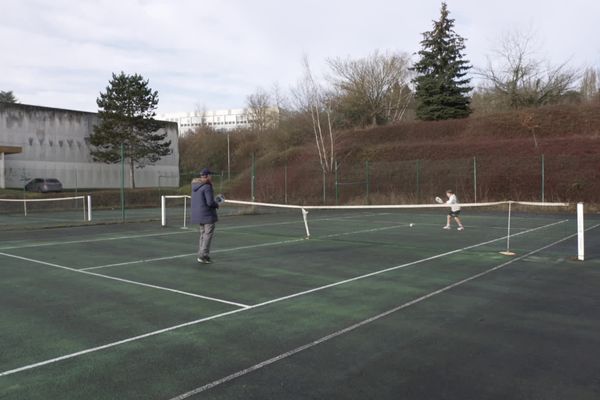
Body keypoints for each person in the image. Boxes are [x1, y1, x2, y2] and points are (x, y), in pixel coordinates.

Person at [191, 168, 219, 264]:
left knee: (203, 235)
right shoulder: (207, 187)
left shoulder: (195, 186)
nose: (212, 177)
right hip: (207, 215)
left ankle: (201, 254)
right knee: (207, 236)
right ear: (207, 176)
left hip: (199, 215)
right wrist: (217, 204)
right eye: (211, 175)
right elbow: (210, 202)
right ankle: (203, 256)